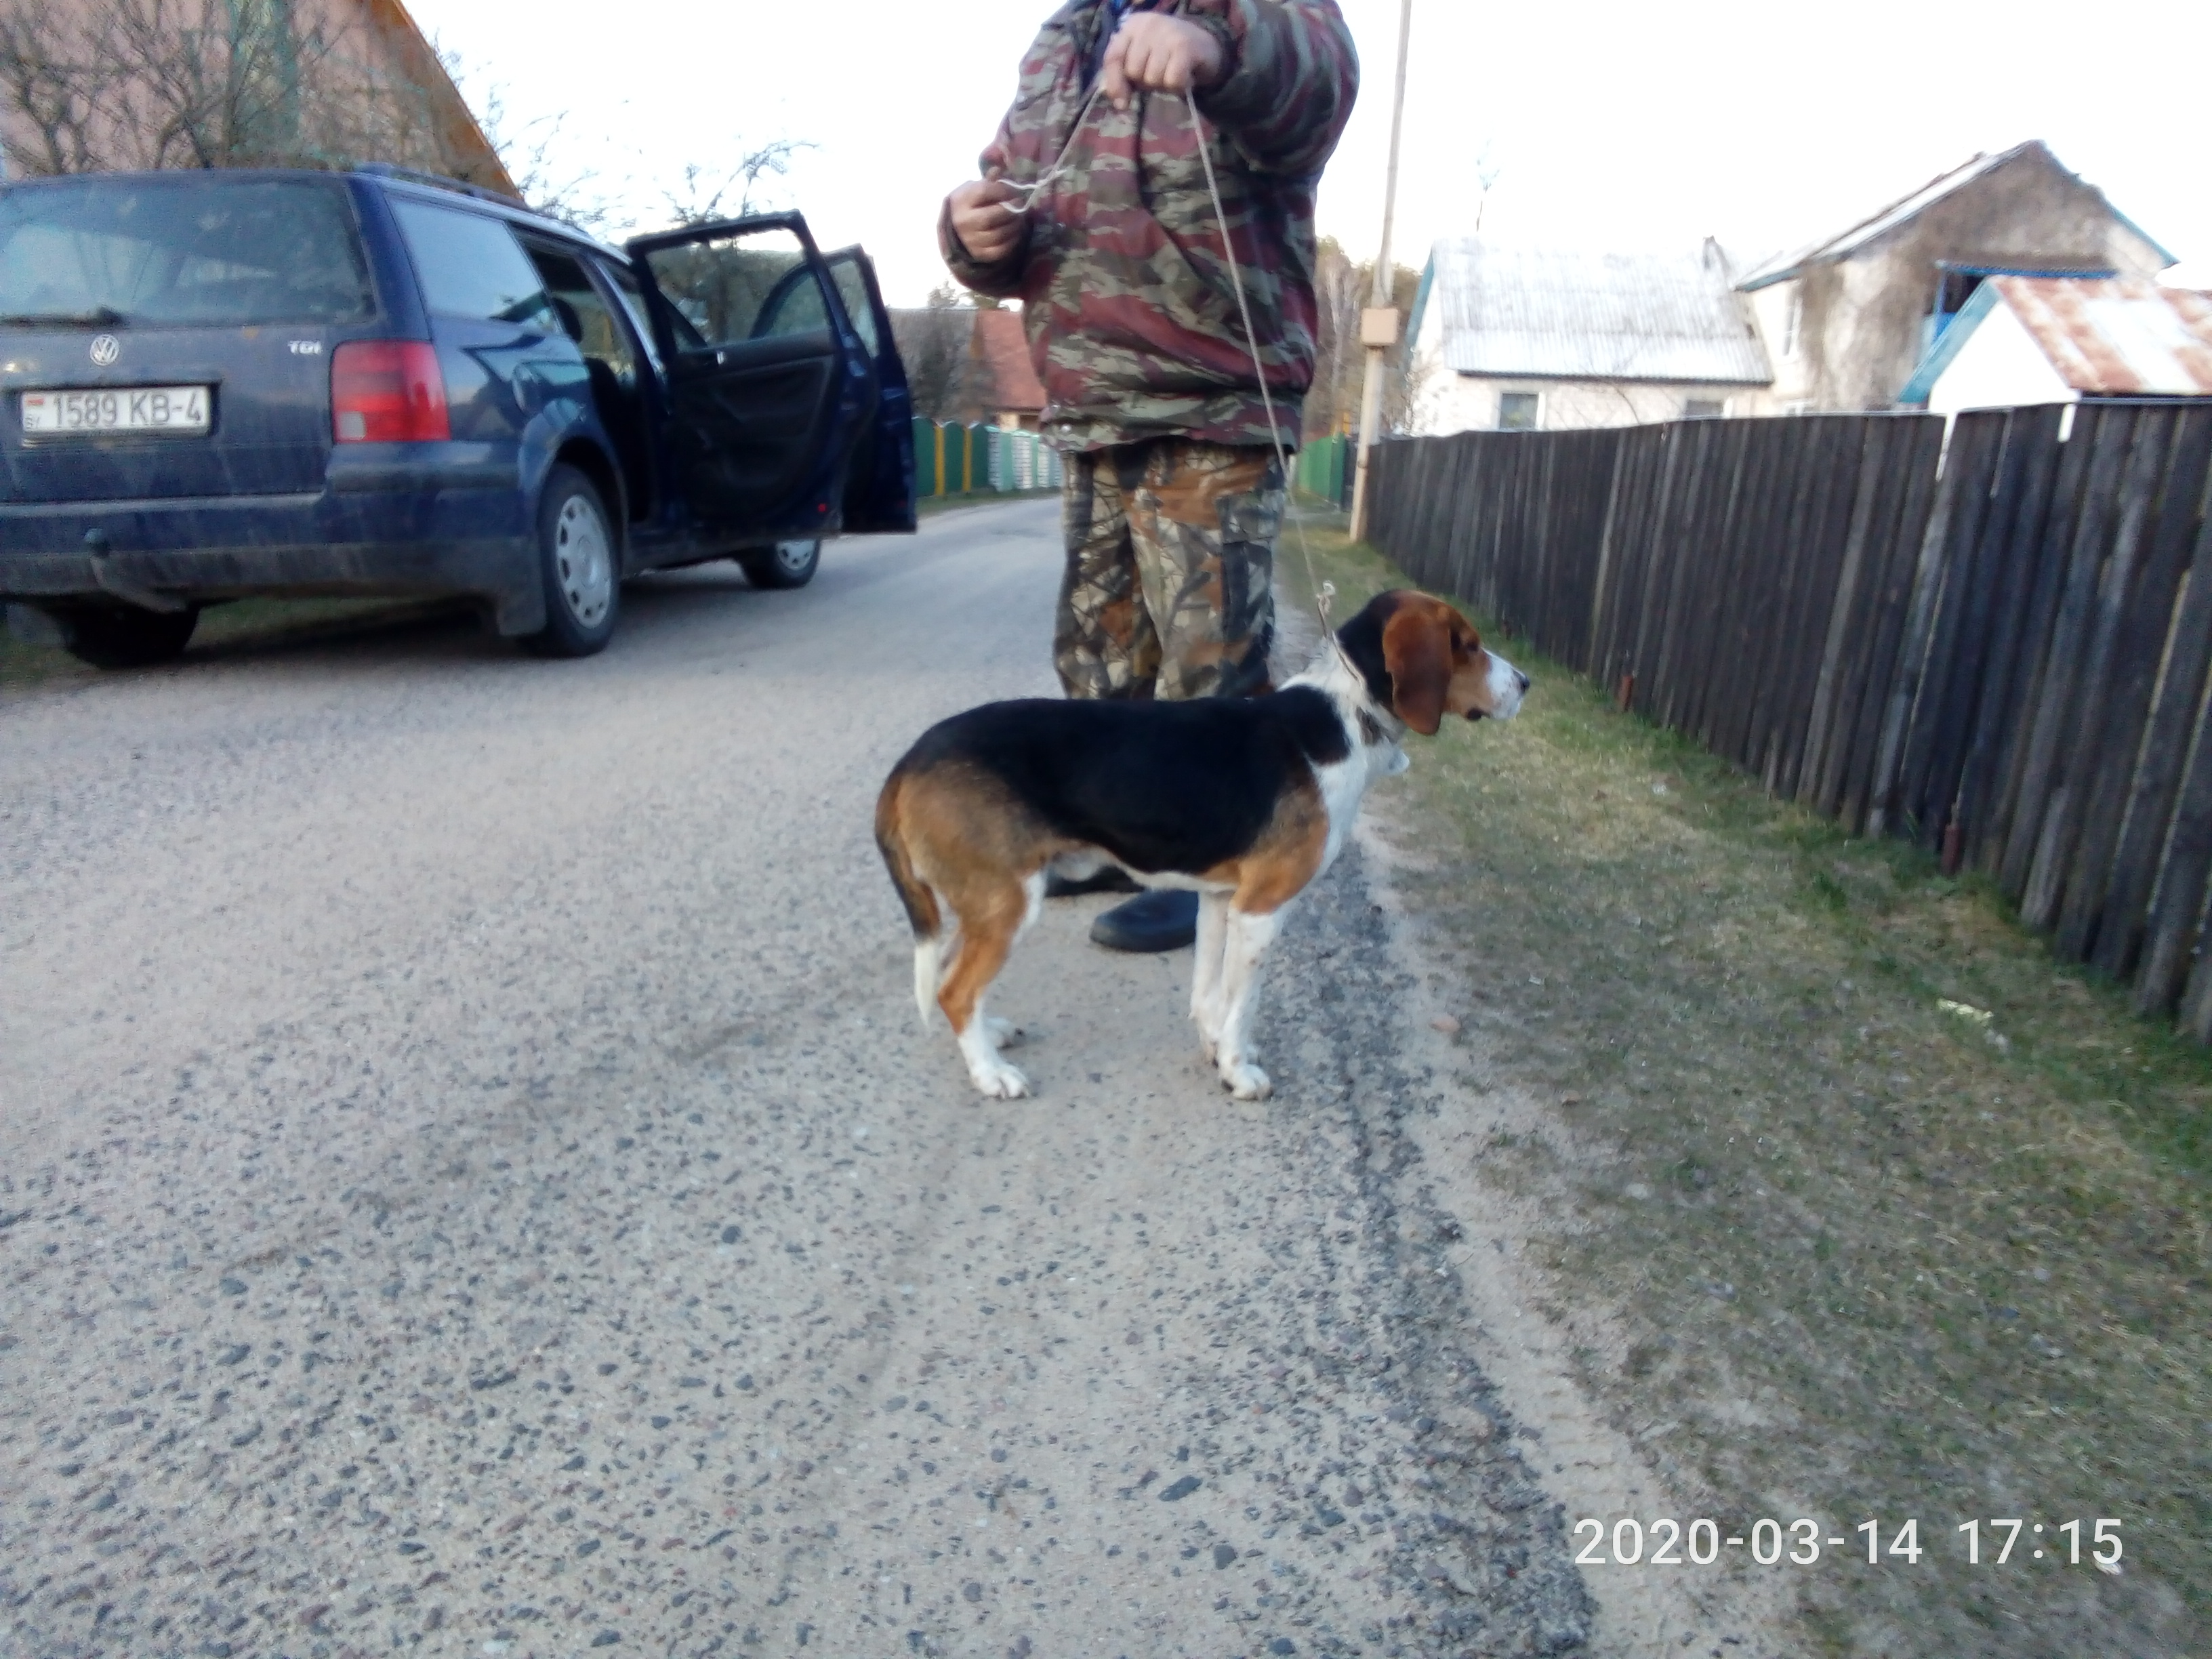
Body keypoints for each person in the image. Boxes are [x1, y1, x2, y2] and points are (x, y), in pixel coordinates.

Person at [939, 0, 1358, 952]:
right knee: (1099, 656)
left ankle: (1208, 853)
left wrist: (1216, 50)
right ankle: (1114, 839)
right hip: (1090, 405)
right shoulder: (1067, 36)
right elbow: (1015, 189)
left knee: (1210, 662)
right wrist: (970, 234)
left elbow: (1315, 89)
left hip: (1210, 398)